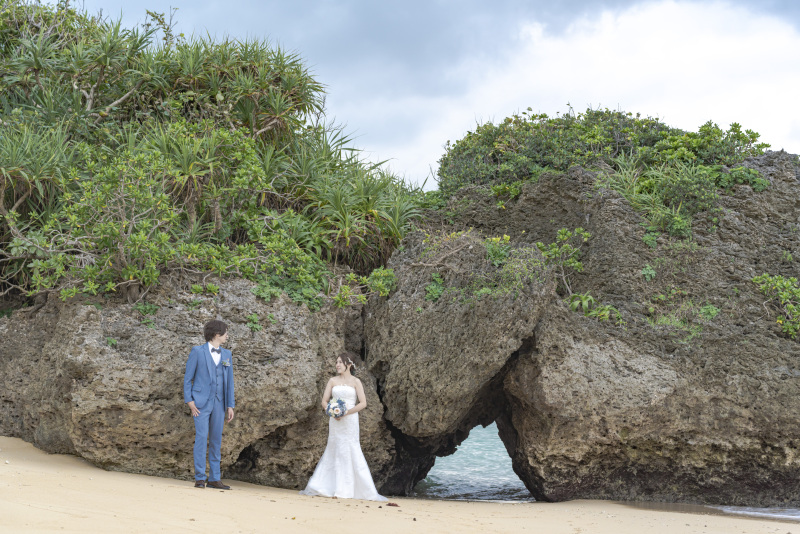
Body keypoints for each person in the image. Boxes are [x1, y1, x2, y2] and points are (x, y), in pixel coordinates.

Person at [300, 351, 387, 501]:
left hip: (350, 421)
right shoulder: (332, 381)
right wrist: (331, 411)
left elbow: (363, 403)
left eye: (340, 362)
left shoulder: (356, 382)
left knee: (349, 448)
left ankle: (348, 489)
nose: (337, 365)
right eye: (337, 362)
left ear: (349, 364)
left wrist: (346, 413)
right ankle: (327, 486)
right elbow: (324, 401)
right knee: (334, 447)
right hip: (335, 421)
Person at [183, 319, 235, 489]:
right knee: (201, 438)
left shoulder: (227, 355)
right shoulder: (197, 351)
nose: (227, 336)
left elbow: (229, 382)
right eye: (225, 332)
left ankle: (214, 478)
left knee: (216, 440)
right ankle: (199, 477)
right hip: (200, 404)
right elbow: (188, 378)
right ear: (216, 334)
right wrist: (190, 401)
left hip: (220, 404)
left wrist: (230, 405)